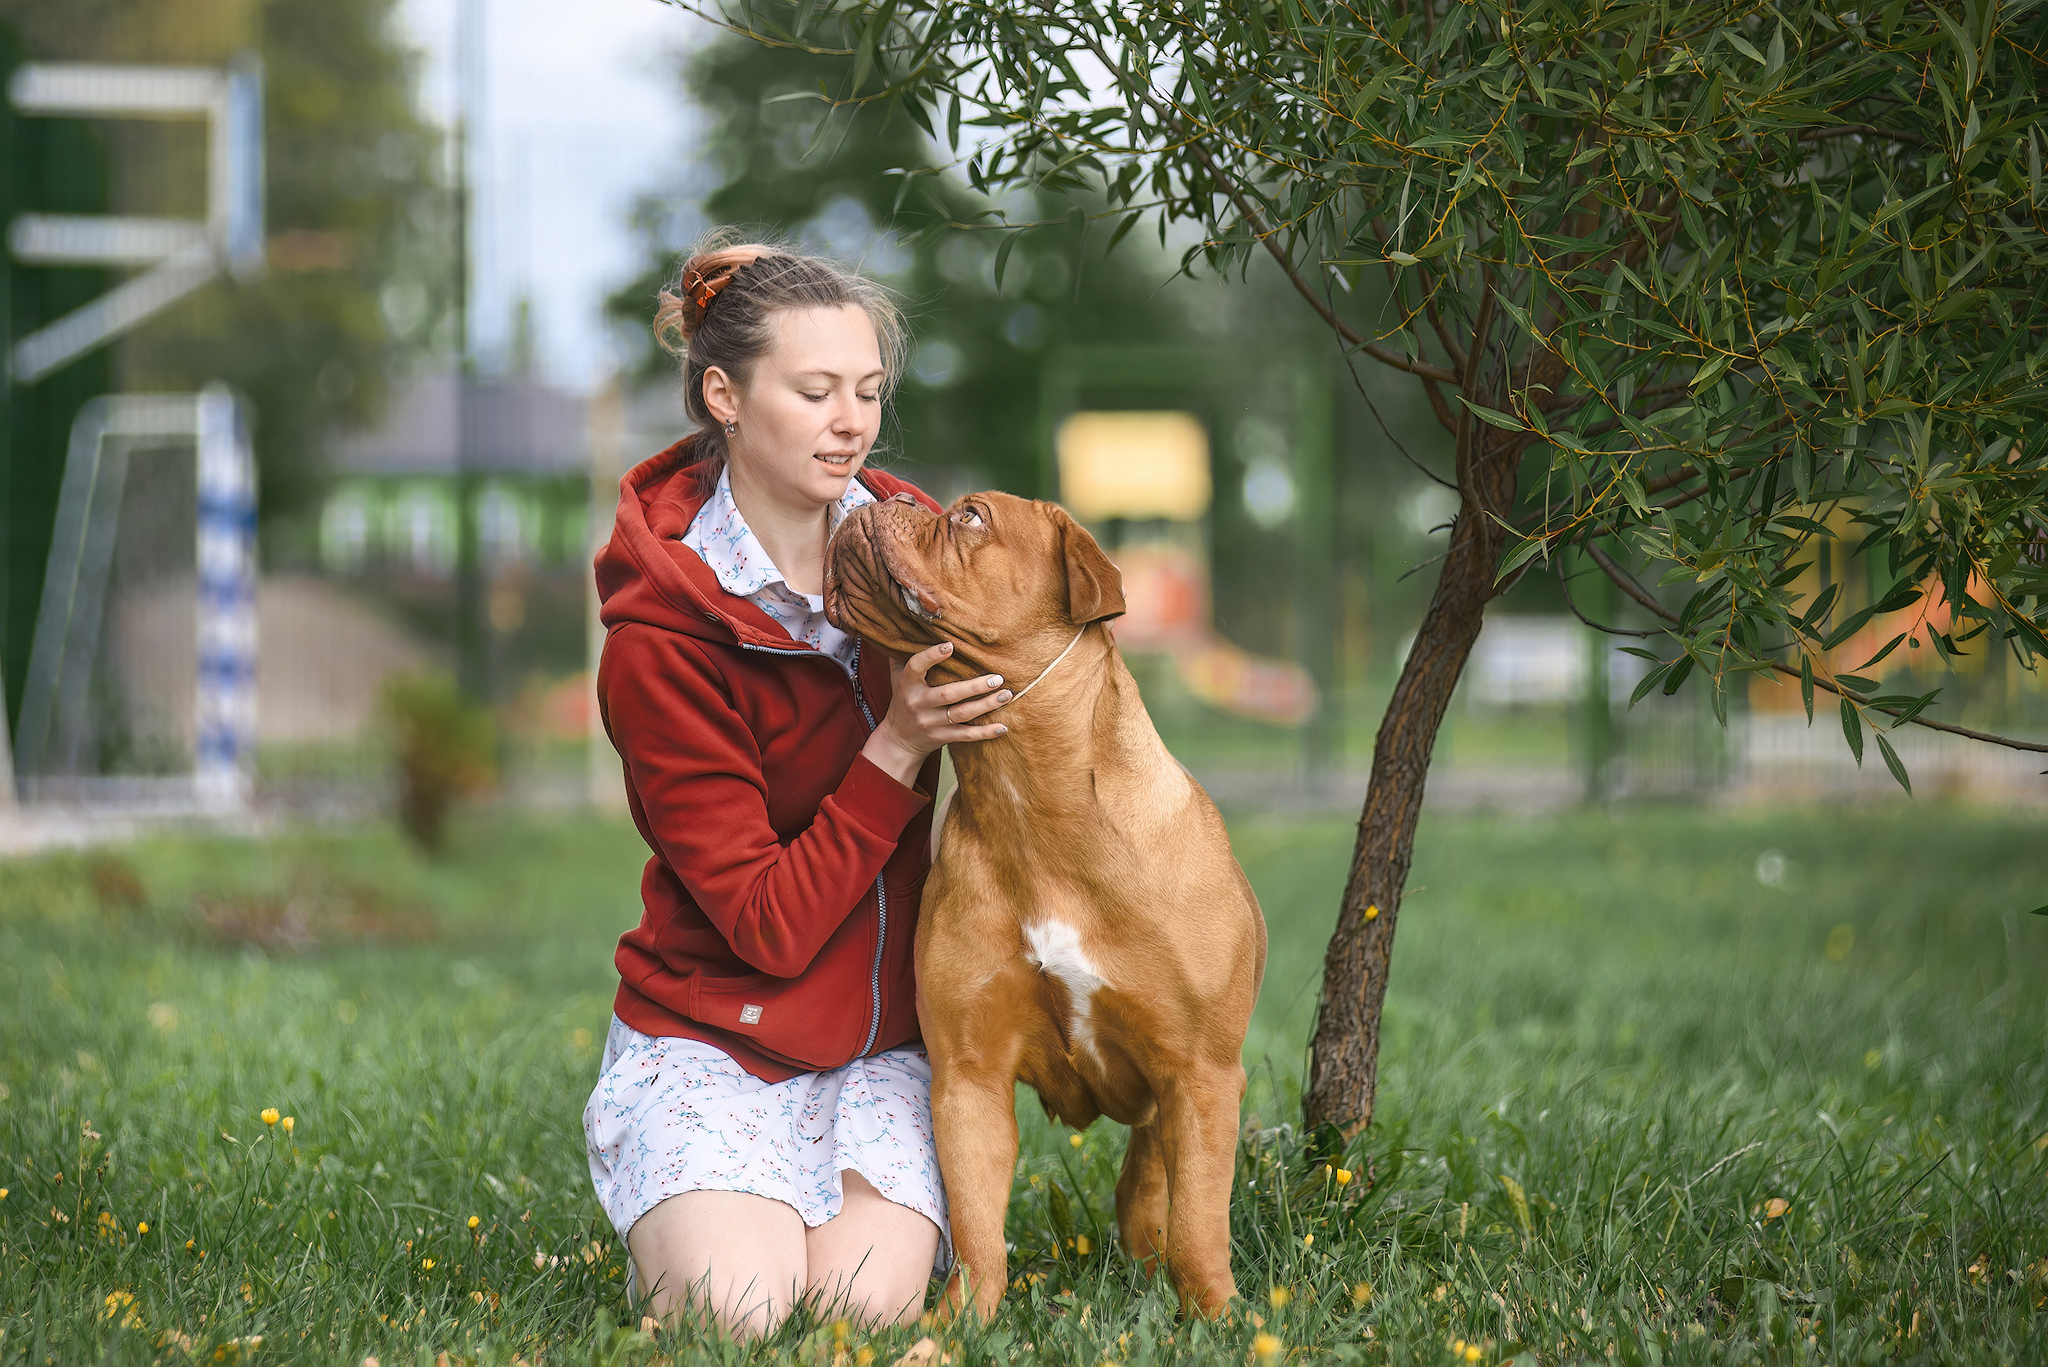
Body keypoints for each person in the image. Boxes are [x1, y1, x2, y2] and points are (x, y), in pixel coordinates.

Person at [583, 237, 1011, 1338]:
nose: (851, 421)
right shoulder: (659, 638)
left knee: (857, 1308)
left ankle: (763, 1219)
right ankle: (676, 1198)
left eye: (868, 391)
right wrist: (897, 745)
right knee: (738, 1308)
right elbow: (766, 924)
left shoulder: (915, 554)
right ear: (721, 393)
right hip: (716, 1037)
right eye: (815, 390)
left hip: (883, 1053)